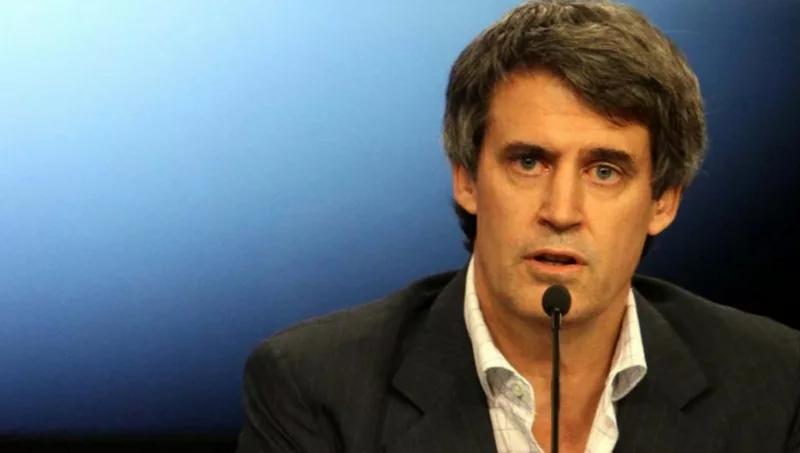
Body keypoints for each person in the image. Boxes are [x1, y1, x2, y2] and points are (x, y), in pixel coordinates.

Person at [235, 1, 800, 452]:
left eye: (604, 171)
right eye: (529, 162)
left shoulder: (775, 383)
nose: (561, 210)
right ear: (467, 179)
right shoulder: (315, 387)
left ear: (663, 201)